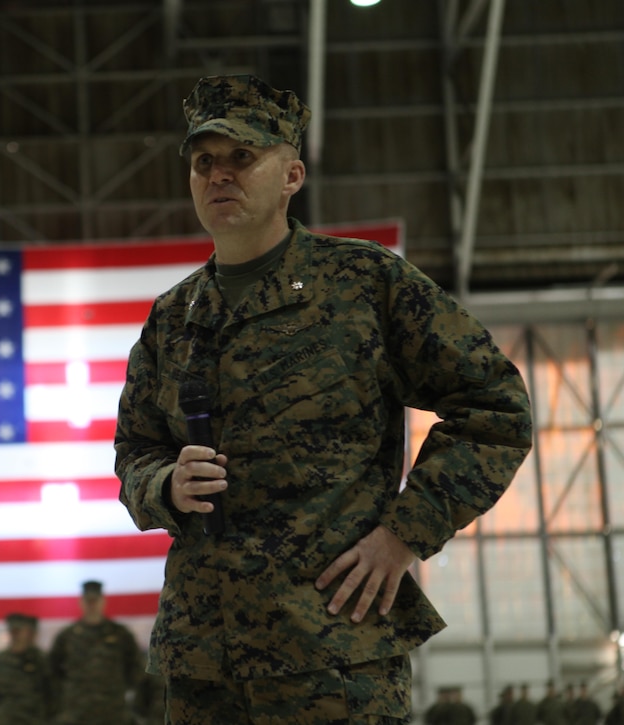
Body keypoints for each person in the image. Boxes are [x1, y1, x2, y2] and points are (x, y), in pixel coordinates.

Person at [113, 73, 533, 724]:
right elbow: (135, 450)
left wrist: (402, 535)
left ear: (292, 176)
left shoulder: (366, 285)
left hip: (334, 655)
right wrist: (164, 483)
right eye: (203, 162)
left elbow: (497, 409)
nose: (219, 174)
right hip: (204, 664)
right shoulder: (173, 318)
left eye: (241, 158)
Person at [48, 581, 142, 724]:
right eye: (88, 601)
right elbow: (53, 671)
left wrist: (117, 690)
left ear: (103, 602)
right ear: (81, 603)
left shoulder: (120, 635)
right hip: (76, 714)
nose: (91, 605)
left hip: (113, 713)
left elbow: (136, 667)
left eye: (95, 601)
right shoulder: (67, 636)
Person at [0, 613, 55, 725]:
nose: (15, 635)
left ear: (29, 633)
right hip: (7, 720)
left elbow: (52, 693)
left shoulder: (42, 661)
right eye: (13, 631)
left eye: (19, 631)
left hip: (35, 719)